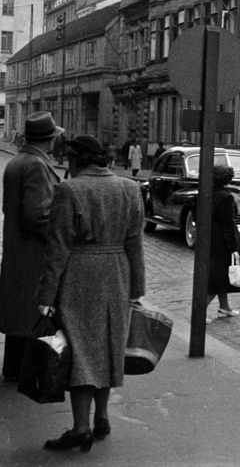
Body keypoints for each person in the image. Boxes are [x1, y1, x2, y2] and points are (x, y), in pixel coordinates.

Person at [35, 134, 146, 451]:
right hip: (117, 274)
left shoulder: (69, 190)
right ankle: (102, 418)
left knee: (81, 352)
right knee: (108, 348)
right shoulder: (129, 188)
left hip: (80, 275)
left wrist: (45, 296)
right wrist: (136, 288)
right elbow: (135, 244)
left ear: (75, 160)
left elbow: (57, 249)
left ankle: (80, 428)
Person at [0, 111, 63, 382]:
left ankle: (13, 368)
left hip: (18, 250)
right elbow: (38, 215)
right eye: (53, 139)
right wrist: (61, 235)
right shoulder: (36, 165)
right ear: (47, 140)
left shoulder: (18, 161)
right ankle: (29, 373)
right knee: (33, 313)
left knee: (20, 314)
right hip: (33, 253)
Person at [207, 164, 240, 322]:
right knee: (218, 276)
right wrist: (233, 247)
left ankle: (224, 307)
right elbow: (228, 223)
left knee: (221, 275)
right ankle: (200, 311)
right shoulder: (226, 197)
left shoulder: (209, 192)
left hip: (211, 235)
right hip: (222, 238)